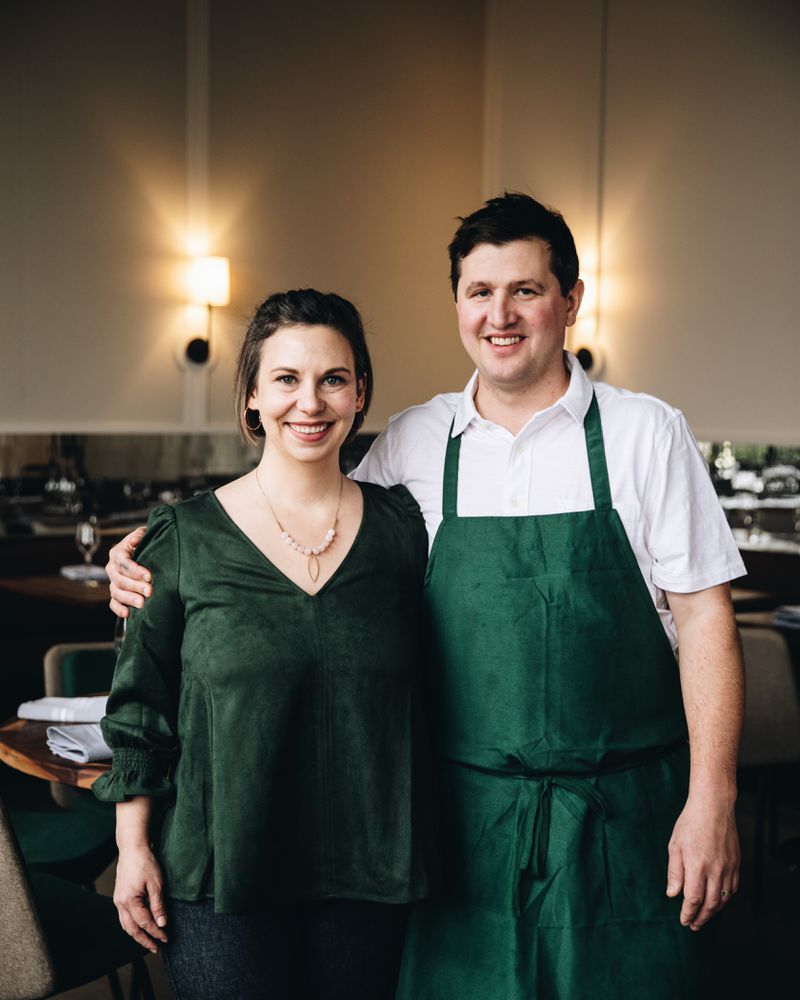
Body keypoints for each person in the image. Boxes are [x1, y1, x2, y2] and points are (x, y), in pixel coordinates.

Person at [108, 194, 746, 998]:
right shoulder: (414, 444)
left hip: (625, 819)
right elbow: (300, 529)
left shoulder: (647, 433)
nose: (500, 315)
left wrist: (712, 801)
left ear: (571, 300)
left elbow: (705, 620)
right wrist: (148, 562)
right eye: (480, 293)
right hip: (459, 828)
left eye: (525, 290)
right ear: (457, 306)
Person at [94, 289, 432, 1000]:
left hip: (369, 875)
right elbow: (140, 713)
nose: (309, 402)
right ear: (252, 396)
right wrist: (131, 850)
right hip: (220, 880)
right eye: (285, 379)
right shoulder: (182, 538)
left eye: (332, 379)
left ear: (360, 392)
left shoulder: (407, 533)